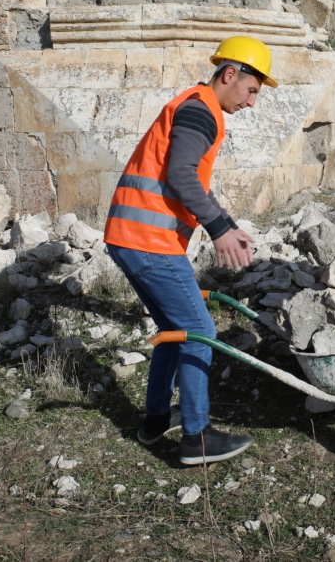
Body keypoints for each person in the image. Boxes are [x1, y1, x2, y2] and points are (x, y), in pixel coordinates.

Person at [103, 36, 278, 465]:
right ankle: (197, 438)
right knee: (201, 332)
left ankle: (155, 420)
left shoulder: (194, 104)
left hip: (130, 237)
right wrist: (218, 230)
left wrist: (228, 225)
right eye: (252, 90)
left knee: (173, 331)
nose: (253, 103)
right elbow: (181, 175)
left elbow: (190, 182)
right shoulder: (202, 111)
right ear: (230, 73)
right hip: (148, 242)